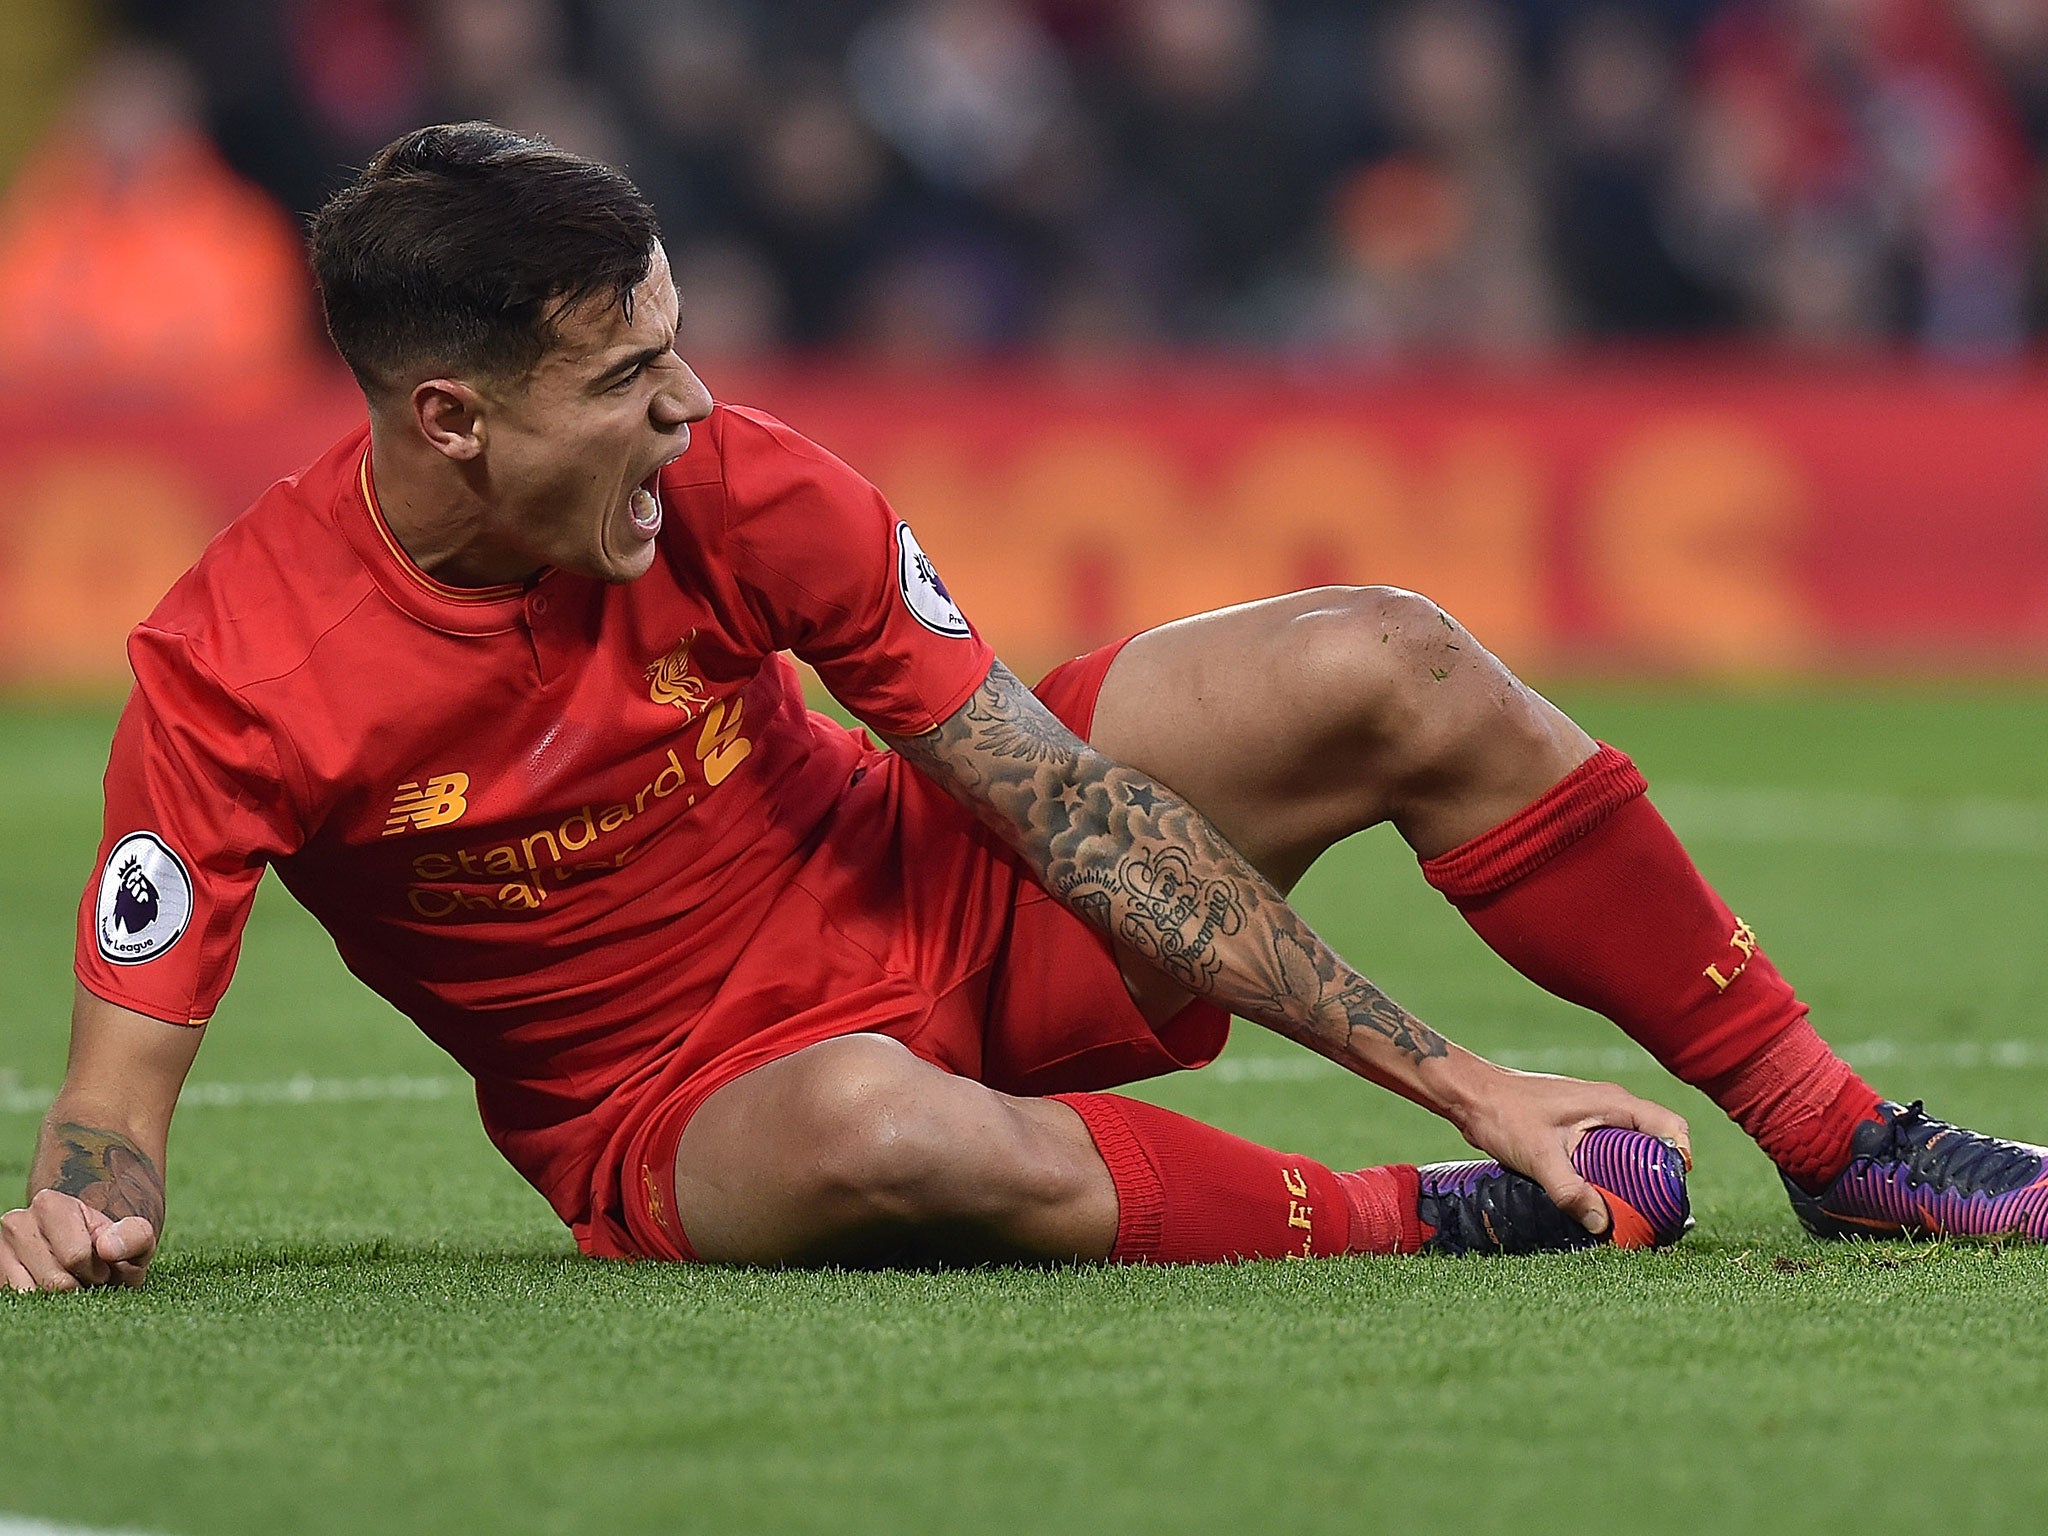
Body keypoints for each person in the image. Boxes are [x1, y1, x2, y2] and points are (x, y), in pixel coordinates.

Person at [4, 124, 2040, 1293]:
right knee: (884, 1129)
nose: (688, 408)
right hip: (685, 1111)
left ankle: (1836, 1135)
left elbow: (1062, 808)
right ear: (451, 419)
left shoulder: (733, 486)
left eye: (677, 348)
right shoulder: (237, 674)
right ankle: (1432, 1222)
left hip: (942, 891)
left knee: (1387, 650)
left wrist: (1455, 1061)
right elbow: (117, 1106)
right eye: (626, 378)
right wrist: (87, 1216)